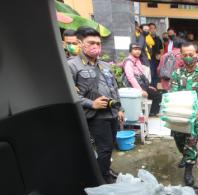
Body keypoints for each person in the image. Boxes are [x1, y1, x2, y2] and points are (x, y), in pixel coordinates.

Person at [68, 27, 125, 183]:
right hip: (95, 116)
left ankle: (105, 168)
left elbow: (114, 88)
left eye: (98, 43)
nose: (96, 47)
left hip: (111, 113)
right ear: (80, 43)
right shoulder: (72, 66)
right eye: (91, 43)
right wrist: (92, 104)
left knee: (110, 145)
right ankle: (101, 178)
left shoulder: (105, 66)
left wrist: (119, 108)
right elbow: (70, 95)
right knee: (105, 148)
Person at [170, 42, 198, 186]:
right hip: (179, 113)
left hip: (195, 115)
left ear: (197, 55)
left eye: (191, 55)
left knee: (191, 141)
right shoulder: (176, 73)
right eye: (185, 55)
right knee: (178, 138)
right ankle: (185, 154)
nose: (188, 57)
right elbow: (172, 93)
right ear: (181, 56)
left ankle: (188, 169)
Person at [122, 43, 162, 116]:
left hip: (141, 86)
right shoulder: (129, 62)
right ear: (130, 51)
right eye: (135, 49)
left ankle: (150, 113)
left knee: (157, 94)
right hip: (133, 89)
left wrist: (148, 87)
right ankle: (149, 114)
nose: (138, 51)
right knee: (157, 96)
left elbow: (141, 76)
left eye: (139, 49)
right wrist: (140, 91)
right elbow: (131, 78)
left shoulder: (137, 60)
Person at [148, 23, 164, 88]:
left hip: (157, 60)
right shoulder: (146, 38)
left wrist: (160, 55)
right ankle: (150, 88)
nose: (152, 30)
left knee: (156, 75)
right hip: (149, 60)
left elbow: (161, 48)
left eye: (154, 28)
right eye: (151, 28)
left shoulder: (158, 39)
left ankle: (154, 88)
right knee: (150, 74)